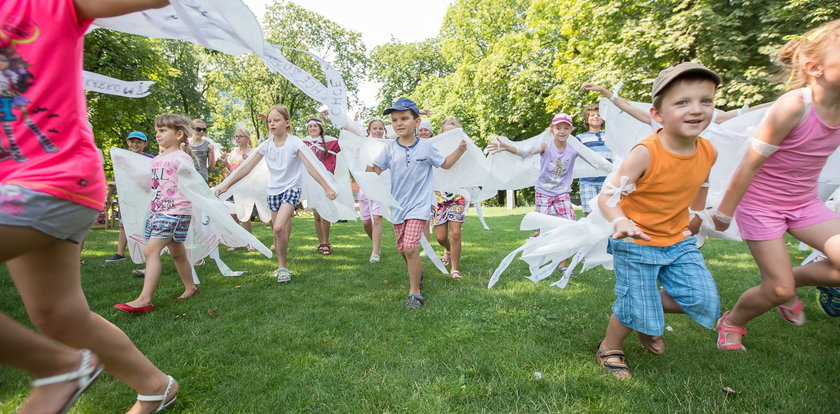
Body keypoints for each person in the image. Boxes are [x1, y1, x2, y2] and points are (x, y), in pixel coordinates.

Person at [0, 1, 178, 413]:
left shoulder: (46, 5)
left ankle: (58, 367)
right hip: (12, 184)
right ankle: (155, 386)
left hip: (53, 178)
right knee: (58, 314)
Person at [712, 20, 840, 350]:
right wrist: (724, 213)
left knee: (792, 281)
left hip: (805, 204)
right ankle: (734, 320)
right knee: (778, 291)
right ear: (815, 68)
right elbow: (749, 164)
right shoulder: (795, 106)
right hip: (761, 205)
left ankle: (787, 279)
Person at [595, 62, 722, 380]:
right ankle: (610, 347)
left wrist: (698, 217)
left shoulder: (708, 151)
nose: (696, 110)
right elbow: (606, 196)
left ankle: (644, 315)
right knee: (634, 300)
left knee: (702, 299)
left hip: (678, 240)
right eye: (682, 102)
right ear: (658, 115)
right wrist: (620, 222)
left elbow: (699, 186)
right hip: (635, 240)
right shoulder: (646, 152)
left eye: (705, 101)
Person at [215, 105, 336, 283]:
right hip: (273, 191)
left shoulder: (295, 143)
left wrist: (327, 187)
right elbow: (247, 167)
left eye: (277, 120)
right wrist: (227, 185)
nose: (272, 124)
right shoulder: (266, 145)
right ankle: (282, 267)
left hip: (292, 189)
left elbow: (311, 166)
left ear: (287, 123)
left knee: (279, 227)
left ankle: (282, 266)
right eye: (269, 121)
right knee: (277, 233)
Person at [366, 97, 467, 309]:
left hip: (419, 206)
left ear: (417, 122)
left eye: (404, 118)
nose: (398, 123)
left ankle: (415, 293)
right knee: (402, 248)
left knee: (411, 247)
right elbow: (374, 170)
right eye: (394, 120)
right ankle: (417, 272)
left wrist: (460, 150)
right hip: (398, 207)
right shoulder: (389, 149)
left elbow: (445, 164)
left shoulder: (426, 148)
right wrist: (364, 164)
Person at [114, 115, 199, 313]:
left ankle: (144, 299)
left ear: (178, 134)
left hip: (176, 211)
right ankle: (190, 287)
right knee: (177, 253)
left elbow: (192, 182)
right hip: (159, 211)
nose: (157, 134)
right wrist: (126, 166)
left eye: (162, 131)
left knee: (151, 250)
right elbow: (148, 185)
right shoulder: (157, 160)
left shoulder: (181, 158)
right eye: (157, 131)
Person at [487, 113, 582, 270]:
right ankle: (535, 242)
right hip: (544, 191)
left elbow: (595, 160)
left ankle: (563, 265)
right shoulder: (546, 147)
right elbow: (526, 152)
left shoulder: (573, 150)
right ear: (552, 130)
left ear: (571, 130)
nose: (562, 131)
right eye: (558, 128)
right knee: (542, 228)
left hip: (562, 193)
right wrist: (506, 147)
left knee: (568, 226)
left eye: (566, 128)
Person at [106, 131, 155, 263]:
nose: (135, 144)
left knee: (145, 224)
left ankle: (147, 254)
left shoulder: (149, 159)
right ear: (127, 142)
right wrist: (108, 197)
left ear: (144, 143)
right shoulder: (122, 158)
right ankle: (120, 253)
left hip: (144, 198)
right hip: (127, 198)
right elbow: (116, 179)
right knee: (124, 225)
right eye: (132, 141)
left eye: (138, 142)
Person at [433, 117, 467, 279]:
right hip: (438, 198)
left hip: (458, 196)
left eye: (454, 133)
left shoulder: (465, 148)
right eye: (447, 133)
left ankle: (455, 268)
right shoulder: (435, 149)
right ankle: (447, 248)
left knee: (455, 234)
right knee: (440, 237)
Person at [302, 117, 341, 255]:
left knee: (325, 212)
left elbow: (347, 140)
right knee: (317, 214)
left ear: (320, 128)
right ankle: (321, 242)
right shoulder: (303, 143)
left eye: (315, 126)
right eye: (310, 126)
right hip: (311, 181)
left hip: (326, 179)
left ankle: (326, 242)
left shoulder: (331, 142)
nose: (312, 128)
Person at [221, 128, 255, 252]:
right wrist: (225, 162)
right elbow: (231, 169)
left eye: (241, 136)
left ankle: (249, 242)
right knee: (233, 216)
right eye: (236, 136)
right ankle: (235, 242)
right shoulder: (234, 152)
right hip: (232, 187)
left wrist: (247, 161)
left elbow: (254, 170)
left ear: (247, 138)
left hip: (244, 187)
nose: (238, 139)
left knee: (244, 216)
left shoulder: (252, 152)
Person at [358, 119, 387, 263]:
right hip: (365, 186)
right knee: (366, 222)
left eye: (380, 128)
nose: (378, 131)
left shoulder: (388, 145)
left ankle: (375, 251)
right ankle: (375, 243)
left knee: (377, 218)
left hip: (380, 186)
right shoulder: (364, 145)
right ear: (369, 130)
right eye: (375, 128)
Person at [575, 105, 610, 216]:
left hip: (607, 181)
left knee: (608, 213)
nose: (596, 117)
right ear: (586, 120)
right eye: (592, 115)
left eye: (598, 115)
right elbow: (566, 147)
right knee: (589, 214)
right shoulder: (581, 138)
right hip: (588, 182)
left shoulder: (609, 136)